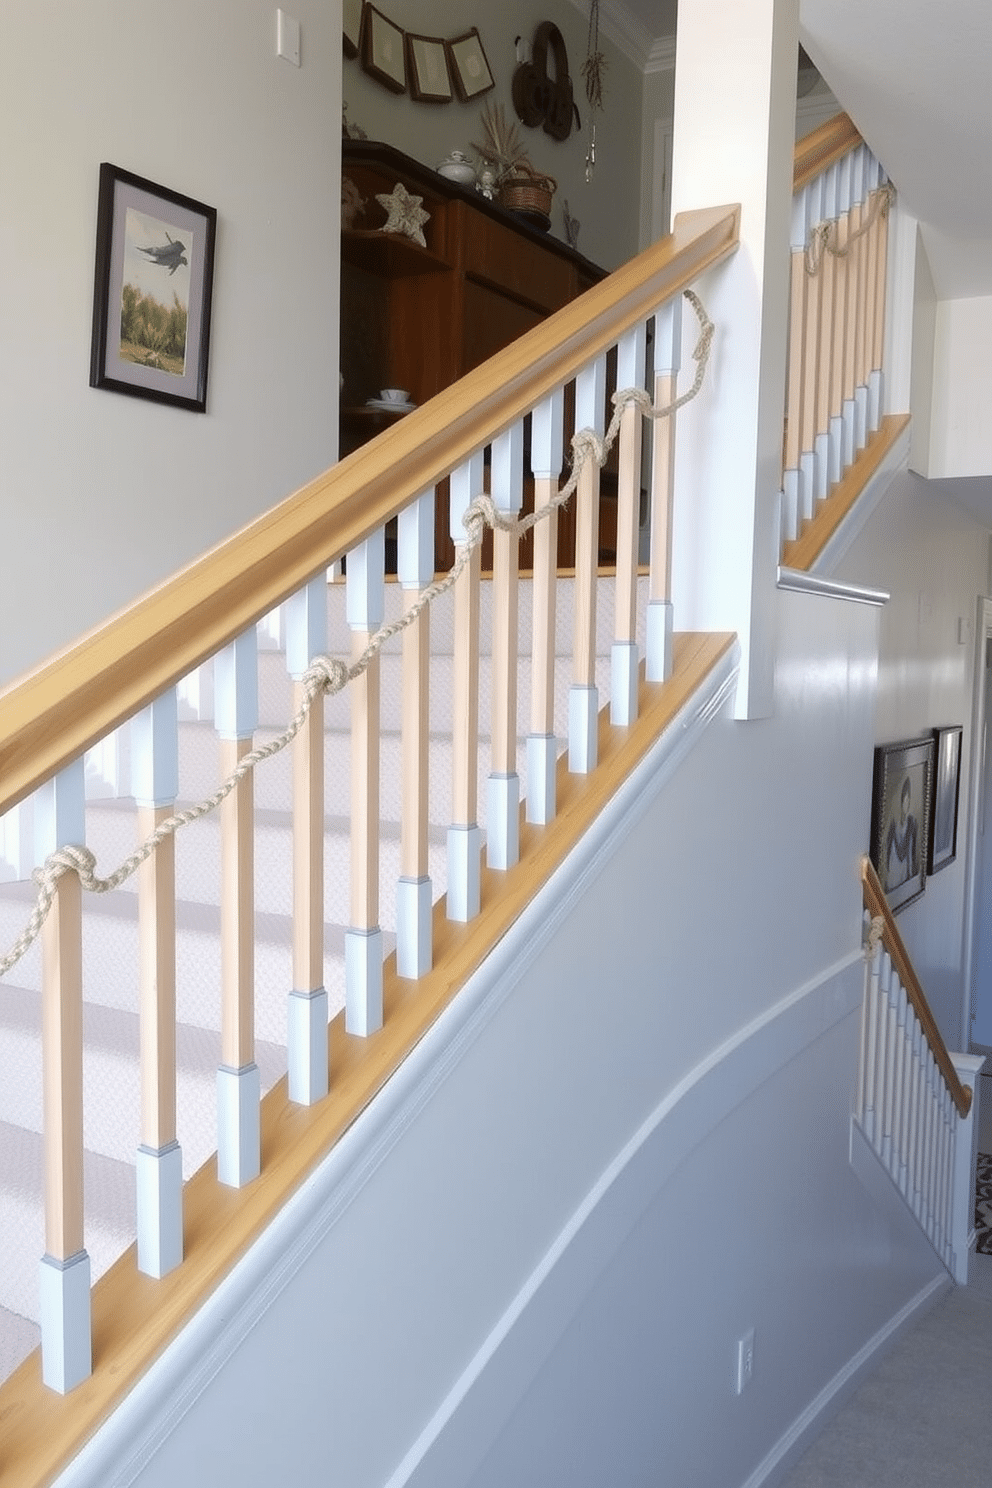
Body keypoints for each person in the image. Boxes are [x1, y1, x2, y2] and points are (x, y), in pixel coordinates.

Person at [885, 775, 918, 891]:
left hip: (905, 875)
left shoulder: (911, 824)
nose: (907, 804)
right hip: (894, 877)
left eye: (908, 800)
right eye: (905, 800)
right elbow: (889, 852)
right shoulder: (895, 825)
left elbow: (912, 854)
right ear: (901, 800)